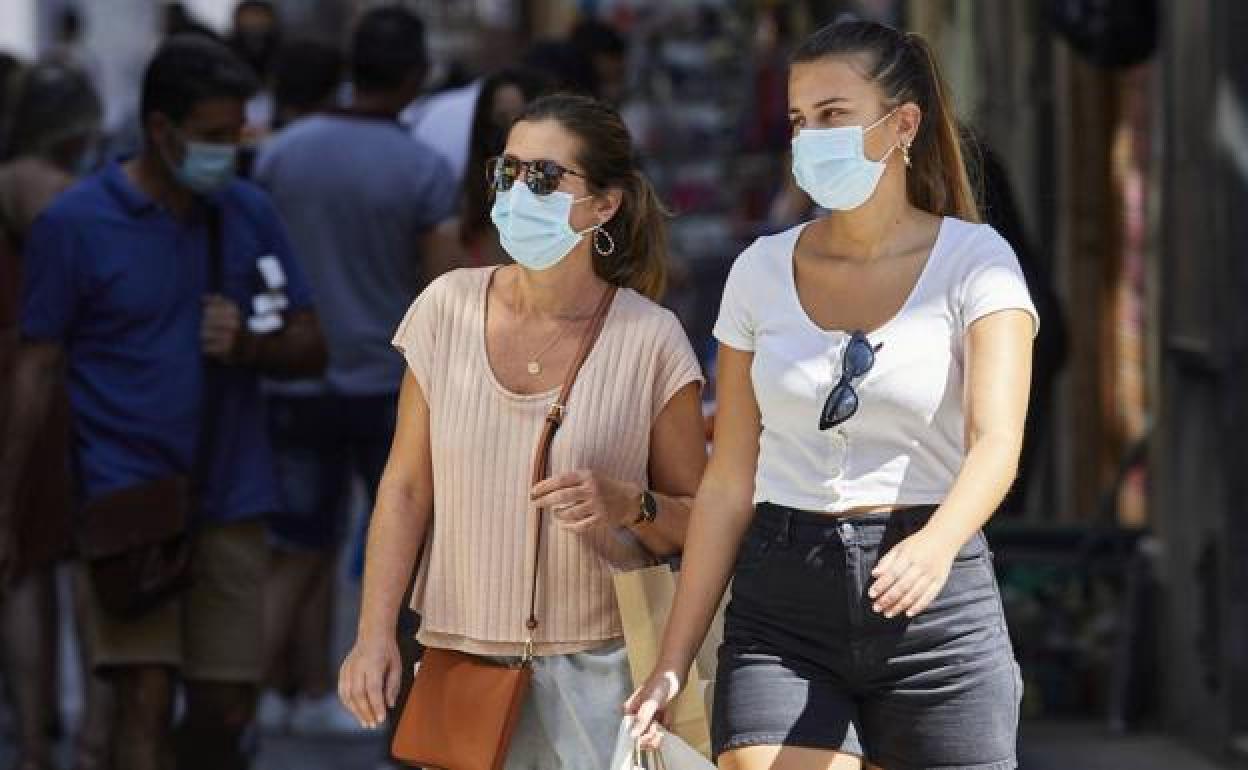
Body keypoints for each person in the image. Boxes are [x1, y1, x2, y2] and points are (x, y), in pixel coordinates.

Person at [628, 20, 1037, 770]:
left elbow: (997, 442)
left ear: (902, 124)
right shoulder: (760, 270)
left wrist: (938, 543)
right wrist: (672, 658)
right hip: (783, 599)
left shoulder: (978, 263)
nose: (809, 137)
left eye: (833, 115)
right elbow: (728, 483)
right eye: (798, 120)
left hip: (931, 599)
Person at [338, 93, 708, 767]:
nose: (515, 191)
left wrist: (631, 504)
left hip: (604, 679)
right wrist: (373, 636)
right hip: (460, 665)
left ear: (604, 205)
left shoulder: (651, 341)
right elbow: (405, 490)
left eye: (542, 177)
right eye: (505, 172)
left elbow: (703, 519)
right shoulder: (445, 308)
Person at [0, 36, 326, 770]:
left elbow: (311, 344)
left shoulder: (249, 212)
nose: (228, 151)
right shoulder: (75, 223)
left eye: (236, 134)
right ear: (160, 129)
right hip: (126, 495)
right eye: (213, 137)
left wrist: (251, 345)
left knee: (226, 708)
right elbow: (36, 368)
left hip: (231, 493)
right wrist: (11, 502)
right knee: (142, 693)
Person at [252, 5, 458, 737]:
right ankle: (396, 723)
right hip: (387, 388)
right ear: (413, 77)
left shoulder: (284, 152)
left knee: (295, 554)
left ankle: (242, 714)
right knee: (406, 554)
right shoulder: (423, 168)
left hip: (295, 380)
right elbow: (441, 291)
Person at [0, 61, 105, 770]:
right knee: (74, 565)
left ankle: (34, 739)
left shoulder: (6, 177)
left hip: (12, 371)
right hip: (61, 376)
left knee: (21, 566)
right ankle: (87, 733)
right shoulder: (62, 192)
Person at [458, 66, 553, 266]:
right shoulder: (463, 230)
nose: (512, 138)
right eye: (500, 123)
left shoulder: (575, 228)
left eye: (522, 123)